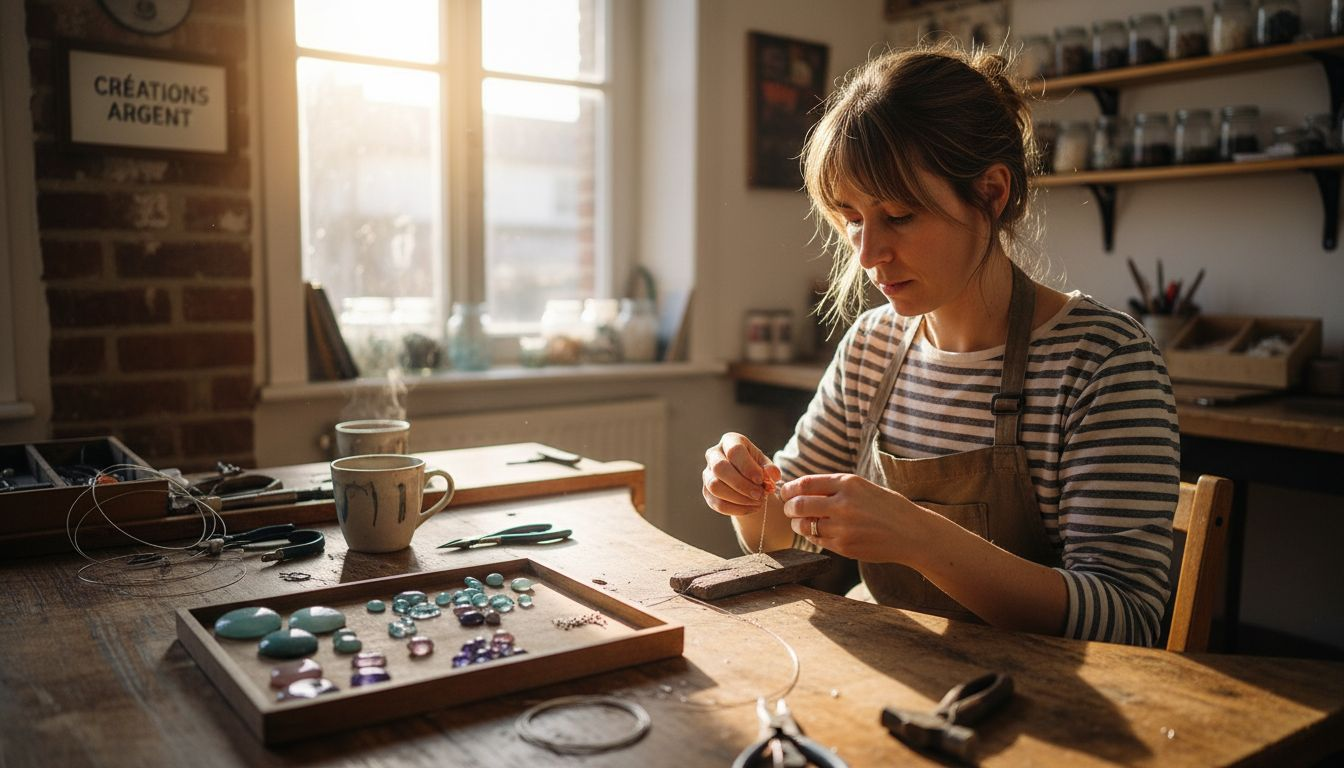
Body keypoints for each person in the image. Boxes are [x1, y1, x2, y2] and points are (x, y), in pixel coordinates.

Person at [701, 44, 1178, 647]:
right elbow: (782, 535)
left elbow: (1128, 621)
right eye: (850, 217)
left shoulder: (1102, 363)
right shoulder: (873, 347)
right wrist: (745, 495)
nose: (868, 253)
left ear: (992, 194)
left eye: (898, 215)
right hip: (887, 683)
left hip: (1049, 713)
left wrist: (918, 537)